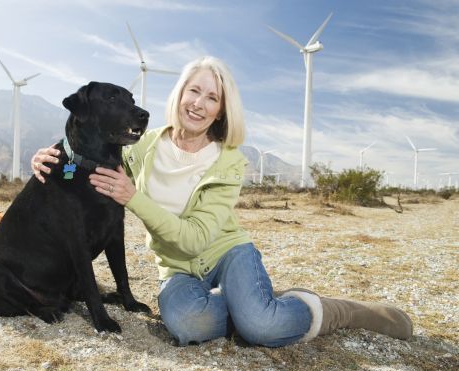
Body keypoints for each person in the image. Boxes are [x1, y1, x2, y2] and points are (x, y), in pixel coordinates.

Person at [31, 56, 412, 347]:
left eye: (212, 97)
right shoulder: (141, 146)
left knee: (263, 327)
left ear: (221, 111)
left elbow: (195, 239)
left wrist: (133, 198)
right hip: (177, 270)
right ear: (179, 93)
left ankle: (336, 310)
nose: (198, 103)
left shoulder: (229, 161)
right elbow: (87, 144)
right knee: (187, 326)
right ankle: (255, 303)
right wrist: (48, 155)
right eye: (193, 91)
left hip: (228, 254)